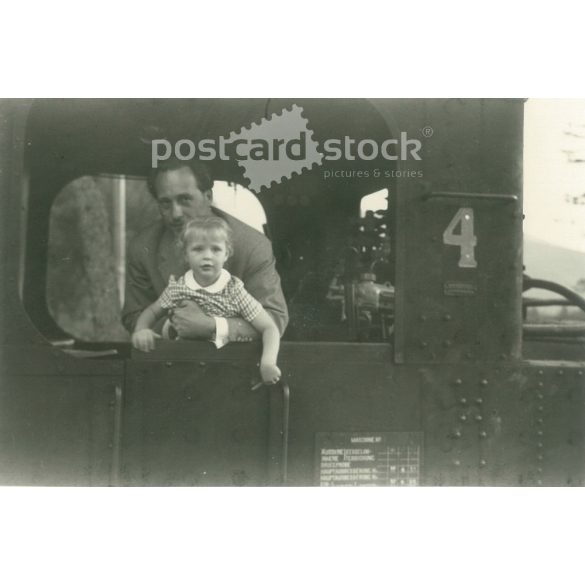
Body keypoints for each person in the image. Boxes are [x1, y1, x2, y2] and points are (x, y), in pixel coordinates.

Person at [122, 159, 288, 348]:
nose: (175, 213)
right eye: (165, 203)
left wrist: (212, 326)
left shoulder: (252, 246)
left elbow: (275, 319)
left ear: (208, 196)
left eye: (185, 199)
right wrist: (174, 327)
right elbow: (134, 315)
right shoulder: (143, 247)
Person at [132, 217, 281, 384]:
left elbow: (270, 328)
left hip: (226, 366)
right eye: (198, 249)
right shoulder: (179, 288)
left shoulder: (234, 290)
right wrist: (141, 329)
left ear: (226, 254)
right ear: (185, 255)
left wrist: (268, 363)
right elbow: (152, 311)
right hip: (185, 366)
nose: (207, 256)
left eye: (216, 249)